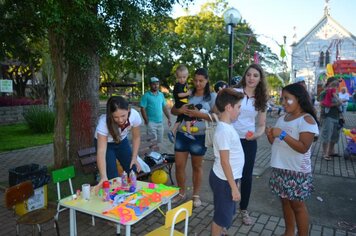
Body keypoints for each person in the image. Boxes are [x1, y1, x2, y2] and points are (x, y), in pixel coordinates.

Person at [265, 83, 319, 236]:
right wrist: (270, 135)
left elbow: (303, 147)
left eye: (287, 99)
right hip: (279, 168)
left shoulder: (307, 120)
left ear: (299, 99)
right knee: (285, 202)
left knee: (298, 206)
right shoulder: (283, 118)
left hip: (297, 171)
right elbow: (275, 143)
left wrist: (282, 134)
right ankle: (289, 232)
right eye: (282, 99)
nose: (283, 102)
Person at [170, 68, 217, 207]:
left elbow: (217, 117)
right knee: (179, 166)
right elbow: (173, 109)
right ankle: (181, 192)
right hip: (182, 134)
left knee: (197, 166)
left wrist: (200, 114)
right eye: (195, 80)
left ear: (207, 80)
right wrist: (181, 110)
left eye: (201, 81)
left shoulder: (212, 97)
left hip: (199, 137)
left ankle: (196, 195)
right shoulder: (187, 93)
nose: (198, 83)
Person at [232, 63, 268, 225]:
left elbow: (261, 125)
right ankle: (228, 211)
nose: (251, 78)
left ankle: (243, 210)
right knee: (231, 177)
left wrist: (255, 135)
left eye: (255, 75)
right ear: (244, 76)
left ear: (260, 79)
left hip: (248, 142)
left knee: (246, 177)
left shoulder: (261, 99)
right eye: (248, 75)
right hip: (231, 140)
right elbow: (221, 111)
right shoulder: (235, 93)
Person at [209, 88, 245, 236]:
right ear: (229, 107)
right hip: (224, 180)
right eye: (238, 107)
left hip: (229, 178)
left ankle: (222, 232)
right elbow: (225, 162)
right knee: (220, 217)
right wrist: (234, 187)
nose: (240, 111)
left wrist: (236, 181)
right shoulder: (224, 131)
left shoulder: (228, 127)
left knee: (226, 211)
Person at [94, 96, 142, 190]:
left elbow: (136, 137)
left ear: (128, 110)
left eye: (123, 116)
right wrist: (104, 176)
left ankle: (132, 196)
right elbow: (101, 152)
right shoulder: (103, 123)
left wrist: (134, 157)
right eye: (115, 117)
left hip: (122, 141)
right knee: (112, 177)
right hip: (106, 145)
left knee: (132, 169)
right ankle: (113, 200)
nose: (120, 120)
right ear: (110, 115)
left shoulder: (134, 115)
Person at [168, 64, 195, 143]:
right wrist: (188, 93)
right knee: (189, 113)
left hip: (183, 102)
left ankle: (173, 131)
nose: (182, 79)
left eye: (184, 77)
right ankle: (188, 131)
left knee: (180, 118)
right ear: (177, 77)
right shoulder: (178, 85)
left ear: (187, 76)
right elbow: (179, 95)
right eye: (180, 77)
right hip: (180, 103)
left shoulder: (184, 84)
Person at [140, 77, 171, 144]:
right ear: (150, 85)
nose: (155, 86)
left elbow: (164, 107)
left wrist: (169, 118)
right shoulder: (146, 95)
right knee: (152, 141)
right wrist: (146, 120)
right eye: (153, 84)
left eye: (157, 84)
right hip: (151, 122)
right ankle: (151, 153)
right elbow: (142, 108)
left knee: (159, 141)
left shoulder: (161, 95)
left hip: (160, 122)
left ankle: (154, 153)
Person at [319, 77, 343, 161]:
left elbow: (339, 106)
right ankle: (325, 153)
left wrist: (342, 116)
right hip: (327, 117)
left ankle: (331, 151)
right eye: (334, 84)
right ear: (329, 84)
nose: (335, 86)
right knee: (327, 135)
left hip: (336, 117)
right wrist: (337, 103)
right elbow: (322, 104)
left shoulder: (336, 93)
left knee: (334, 136)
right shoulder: (324, 93)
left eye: (336, 85)